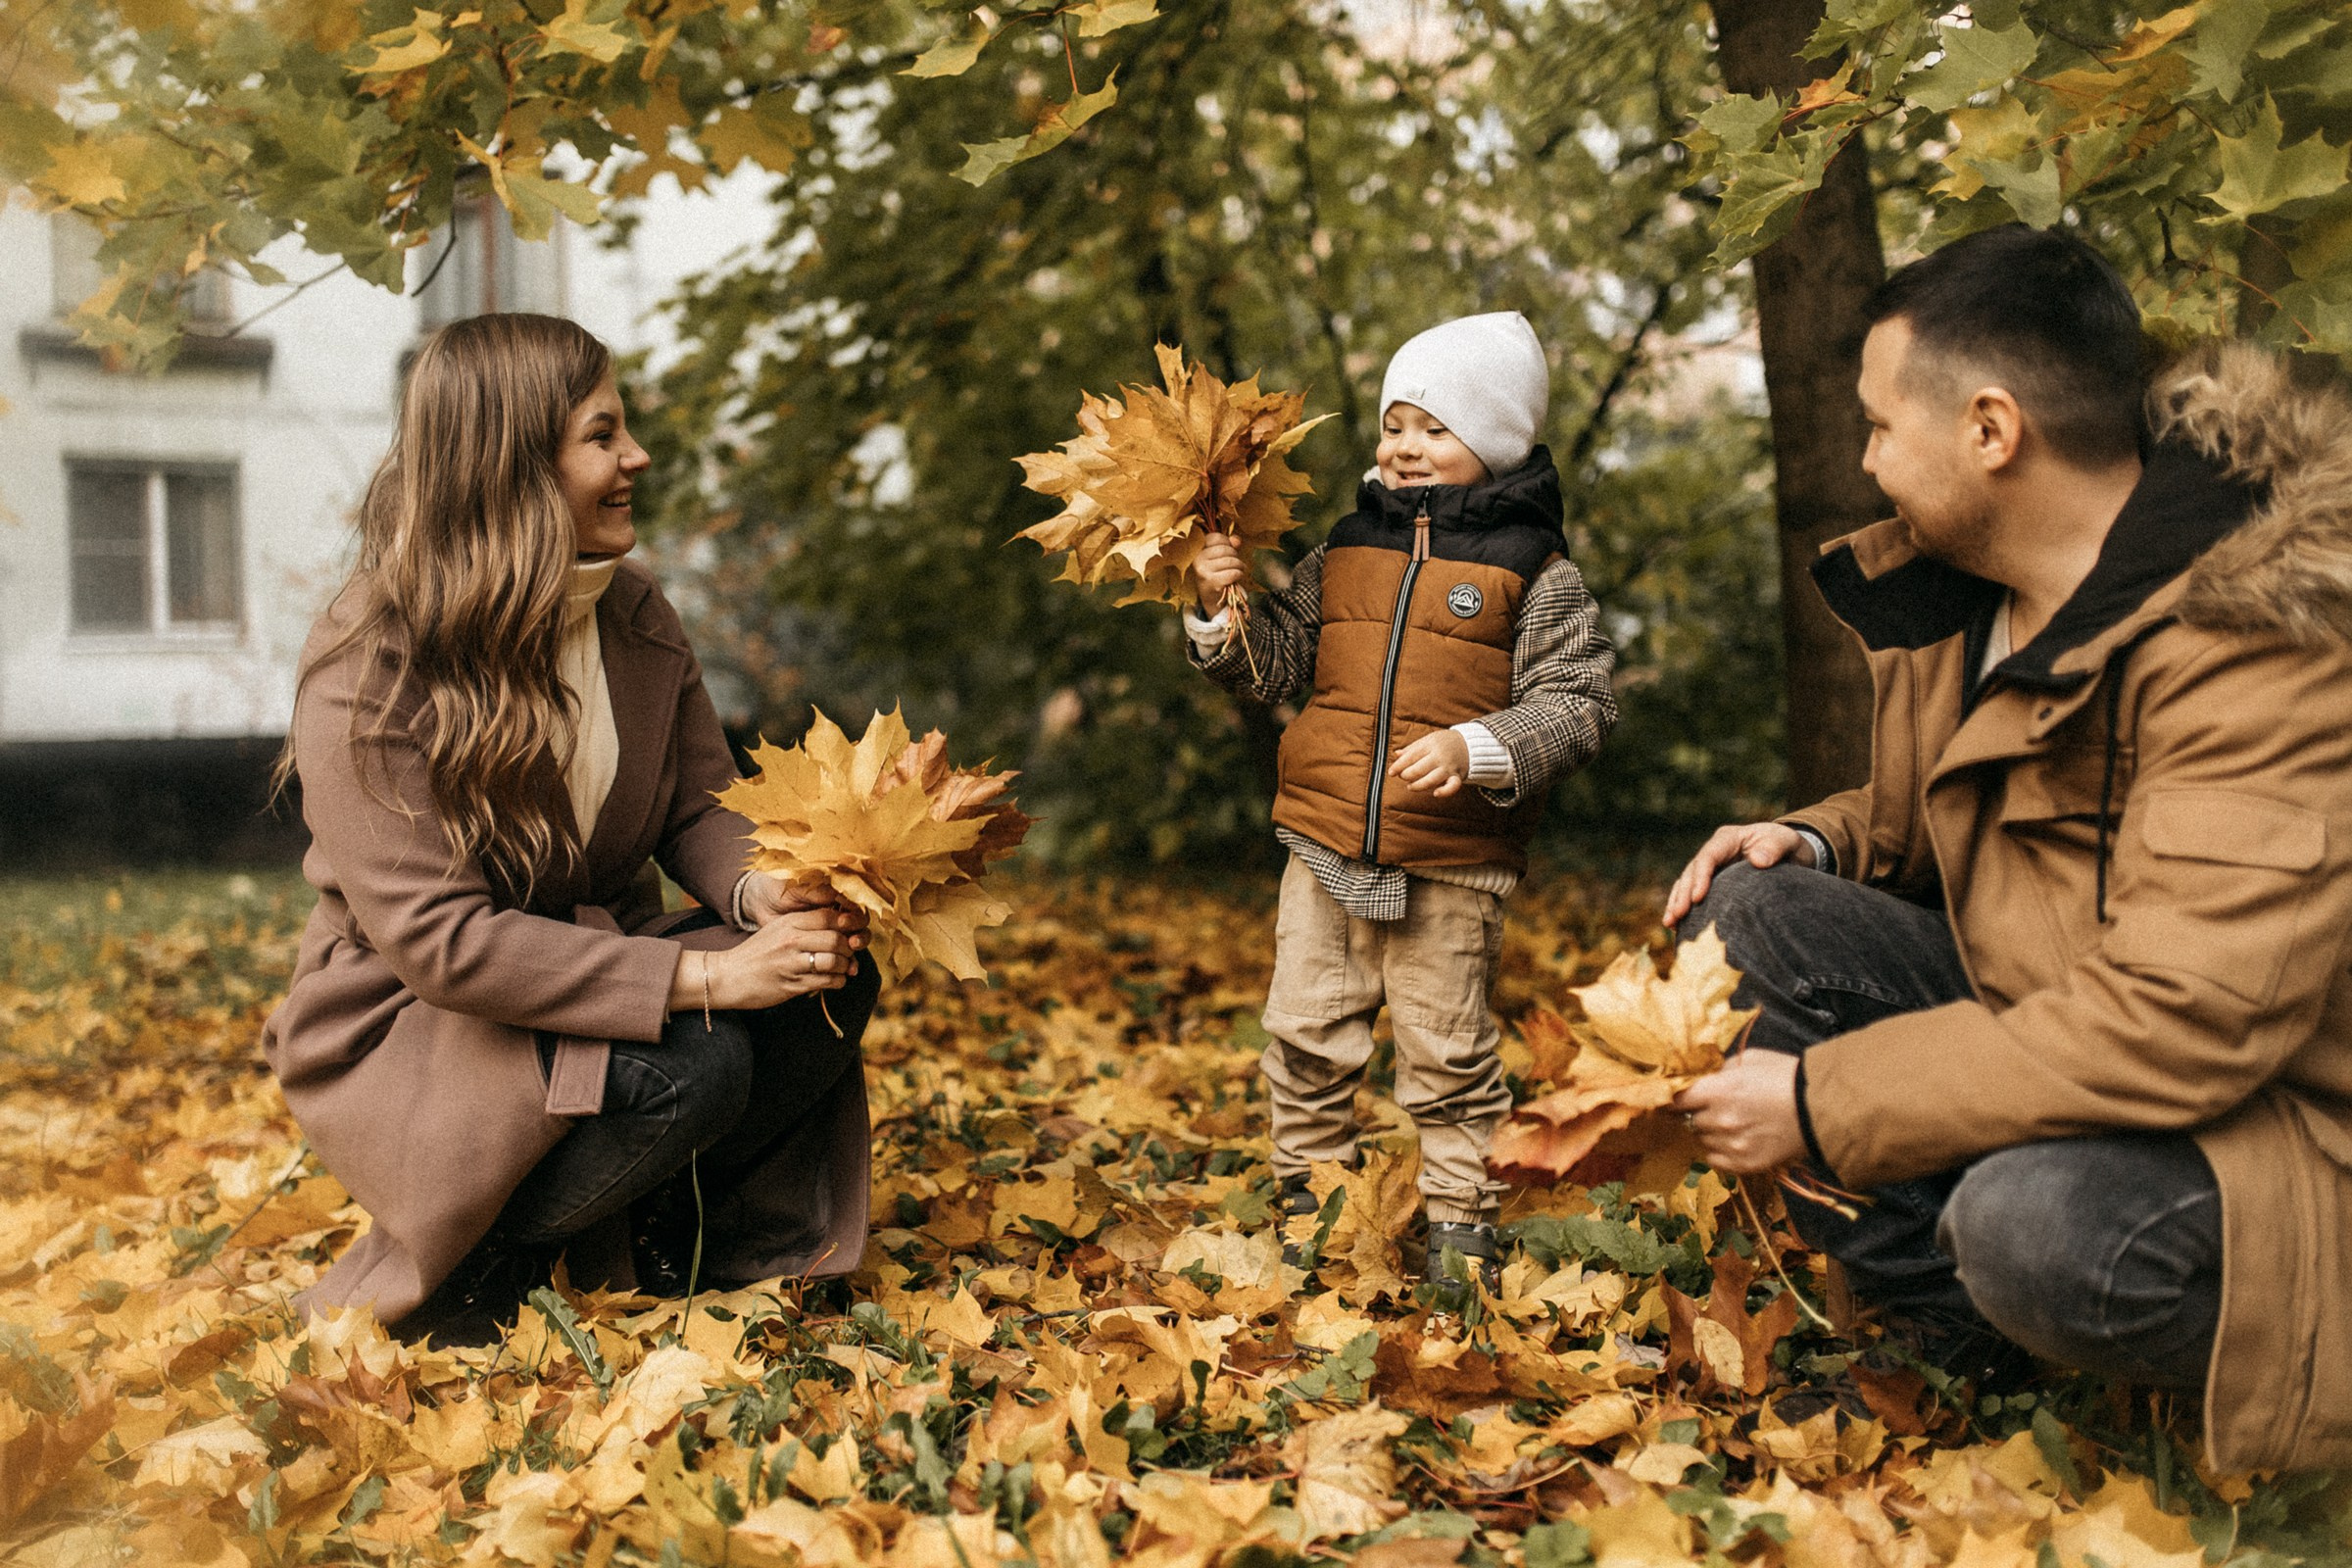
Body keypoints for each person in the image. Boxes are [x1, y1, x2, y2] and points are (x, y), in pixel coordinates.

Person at [1664, 225, 2352, 1472]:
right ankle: (1940, 1345)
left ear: (1991, 429)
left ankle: (2278, 1380)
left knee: (2038, 1229)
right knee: (1760, 910)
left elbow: (2177, 1017)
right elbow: (1961, 819)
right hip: (2057, 1021)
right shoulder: (1979, 594)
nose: (1867, 460)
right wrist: (1814, 836)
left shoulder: (2255, 637)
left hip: (2274, 1125)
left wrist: (1823, 1104)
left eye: (1881, 425)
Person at [264, 313, 880, 1344]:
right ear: (511, 465)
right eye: (602, 435)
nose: (635, 456)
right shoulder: (369, 659)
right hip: (421, 1021)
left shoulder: (632, 611)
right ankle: (484, 1265)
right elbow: (443, 944)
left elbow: (699, 804)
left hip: (592, 966)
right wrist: (715, 978)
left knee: (831, 980)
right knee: (698, 1062)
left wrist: (761, 895)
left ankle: (677, 1236)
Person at [1189, 312, 1619, 1287]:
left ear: (1498, 438)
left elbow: (1580, 706)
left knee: (1449, 1057)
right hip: (1325, 846)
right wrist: (1225, 612)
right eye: (1394, 424)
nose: (1405, 446)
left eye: (1434, 425)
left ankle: (1461, 1238)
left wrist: (1482, 746)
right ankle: (1314, 1217)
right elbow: (1278, 668)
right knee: (1302, 1040)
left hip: (1453, 863)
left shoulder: (1534, 573)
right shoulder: (1343, 550)